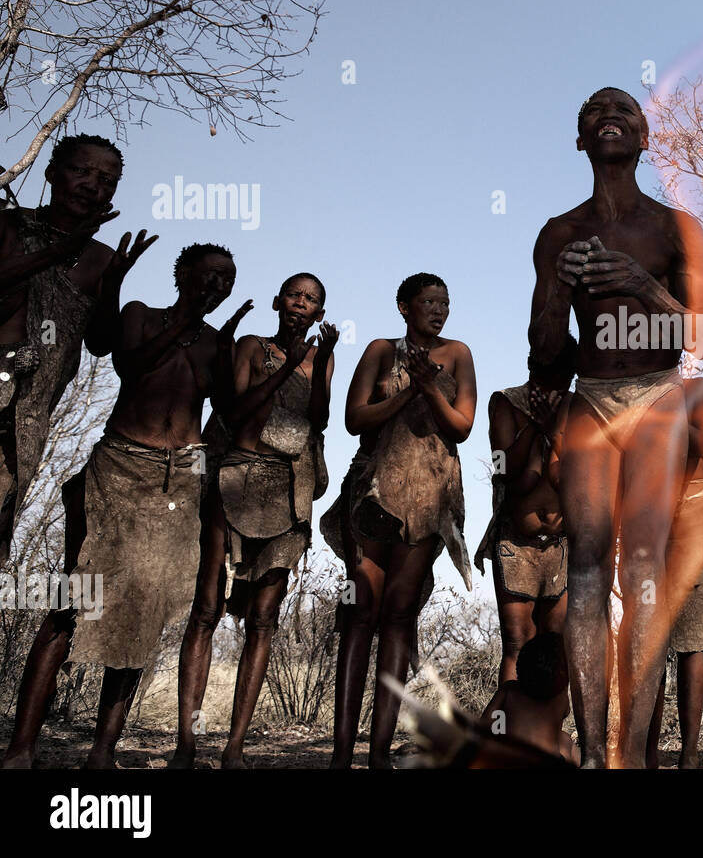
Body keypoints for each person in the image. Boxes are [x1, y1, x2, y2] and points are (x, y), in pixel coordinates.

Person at [527, 86, 703, 767]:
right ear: (580, 141)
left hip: (658, 394)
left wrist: (642, 283)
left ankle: (632, 753)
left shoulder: (675, 228)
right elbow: (544, 351)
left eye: (625, 111)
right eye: (593, 112)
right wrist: (556, 287)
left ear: (645, 139)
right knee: (583, 567)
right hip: (592, 396)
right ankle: (587, 752)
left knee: (642, 566)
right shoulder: (559, 232)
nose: (608, 115)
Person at [3, 243, 241, 768]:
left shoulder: (216, 346)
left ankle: (102, 752)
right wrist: (178, 321)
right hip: (118, 469)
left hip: (178, 484)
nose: (216, 288)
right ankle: (21, 748)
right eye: (208, 277)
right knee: (73, 599)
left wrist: (238, 354)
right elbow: (129, 365)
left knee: (146, 613)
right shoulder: (141, 315)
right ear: (182, 277)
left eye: (226, 280)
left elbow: (227, 412)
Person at [171, 273, 338, 768]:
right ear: (277, 301)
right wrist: (287, 366)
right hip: (236, 478)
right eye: (293, 295)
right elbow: (238, 411)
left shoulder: (319, 357)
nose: (300, 304)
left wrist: (321, 361)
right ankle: (186, 742)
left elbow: (320, 420)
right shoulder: (250, 346)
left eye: (310, 299)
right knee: (205, 609)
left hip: (289, 494)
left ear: (319, 313)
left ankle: (235, 748)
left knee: (264, 618)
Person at [322, 272, 476, 768]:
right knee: (359, 615)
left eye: (445, 302)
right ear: (404, 307)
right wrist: (408, 392)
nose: (439, 310)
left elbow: (463, 426)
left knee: (397, 619)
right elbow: (354, 418)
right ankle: (341, 756)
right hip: (373, 494)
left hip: (429, 498)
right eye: (429, 301)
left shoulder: (458, 354)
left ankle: (378, 756)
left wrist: (430, 388)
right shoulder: (380, 350)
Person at [0, 134, 153, 562]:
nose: (93, 185)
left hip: (28, 417)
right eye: (81, 171)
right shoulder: (11, 225)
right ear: (51, 174)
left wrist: (114, 285)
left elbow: (101, 344)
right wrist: (56, 252)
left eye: (107, 180)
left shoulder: (102, 258)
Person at [475, 337, 578, 719]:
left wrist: (557, 433)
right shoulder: (506, 402)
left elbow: (571, 478)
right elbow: (508, 475)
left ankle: (547, 733)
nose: (558, 385)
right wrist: (537, 428)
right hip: (517, 543)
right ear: (533, 364)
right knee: (518, 644)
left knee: (553, 647)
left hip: (561, 543)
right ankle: (507, 734)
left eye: (566, 377)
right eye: (552, 375)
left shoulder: (573, 406)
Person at [645, 374, 703, 769]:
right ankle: (646, 751)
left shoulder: (696, 389)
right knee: (649, 643)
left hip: (695, 517)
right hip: (648, 519)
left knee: (693, 640)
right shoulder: (631, 387)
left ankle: (690, 752)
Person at [481, 632, 580, 766]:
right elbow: (566, 712)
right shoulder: (560, 698)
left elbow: (486, 724)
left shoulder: (509, 689)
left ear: (521, 665)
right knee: (566, 740)